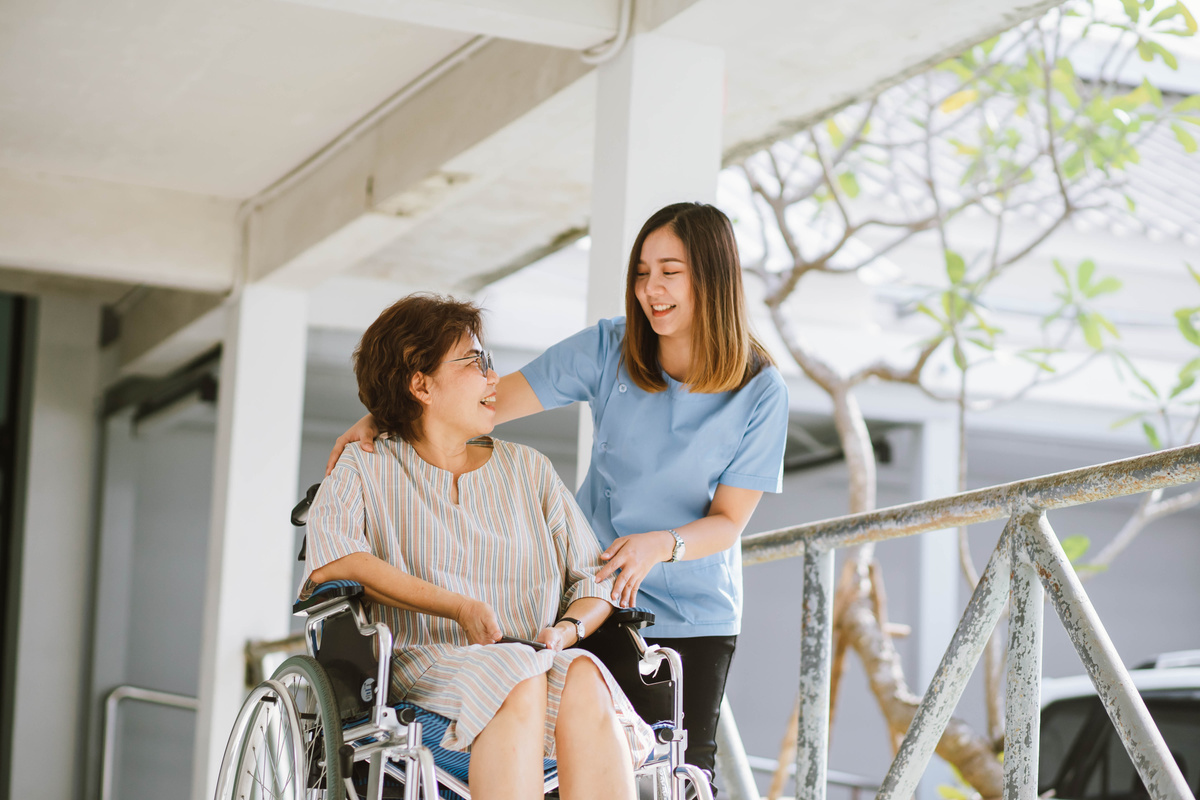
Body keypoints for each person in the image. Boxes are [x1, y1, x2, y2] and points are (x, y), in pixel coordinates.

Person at [326, 202, 789, 792]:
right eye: (642, 272)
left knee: (685, 773)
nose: (652, 289)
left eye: (669, 272)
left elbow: (728, 521)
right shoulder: (610, 348)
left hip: (695, 603)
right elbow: (482, 406)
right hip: (596, 589)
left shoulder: (760, 390)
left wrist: (659, 547)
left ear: (713, 277)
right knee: (569, 736)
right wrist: (386, 410)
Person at [304, 293, 653, 800]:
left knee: (582, 674)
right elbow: (335, 559)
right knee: (514, 670)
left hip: (532, 656)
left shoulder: (529, 470)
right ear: (420, 384)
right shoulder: (365, 465)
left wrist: (568, 628)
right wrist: (457, 606)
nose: (494, 378)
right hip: (419, 666)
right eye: (474, 362)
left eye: (489, 361)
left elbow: (596, 577)